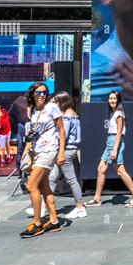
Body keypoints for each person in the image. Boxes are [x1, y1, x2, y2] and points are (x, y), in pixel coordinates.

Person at [20, 82, 66, 238]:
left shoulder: (52, 107)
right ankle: (54, 221)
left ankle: (37, 223)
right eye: (39, 92)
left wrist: (61, 152)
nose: (42, 95)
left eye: (45, 92)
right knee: (45, 187)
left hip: (49, 150)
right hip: (38, 150)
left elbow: (61, 129)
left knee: (31, 185)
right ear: (33, 94)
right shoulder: (33, 110)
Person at [86, 91, 133, 208]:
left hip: (115, 142)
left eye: (114, 99)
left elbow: (119, 132)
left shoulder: (119, 113)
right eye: (110, 98)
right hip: (110, 142)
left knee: (120, 170)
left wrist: (115, 149)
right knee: (101, 169)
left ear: (118, 100)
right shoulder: (114, 112)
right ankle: (97, 198)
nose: (112, 101)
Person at [47, 91, 87, 219]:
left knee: (71, 179)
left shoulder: (67, 117)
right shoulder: (73, 114)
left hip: (65, 151)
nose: (53, 104)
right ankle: (44, 206)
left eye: (55, 101)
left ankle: (80, 207)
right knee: (52, 178)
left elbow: (63, 135)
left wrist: (60, 153)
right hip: (68, 150)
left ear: (62, 101)